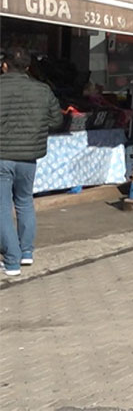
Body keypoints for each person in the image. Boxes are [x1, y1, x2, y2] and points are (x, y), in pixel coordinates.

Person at [0, 47, 63, 277]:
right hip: (28, 158)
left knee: (2, 208)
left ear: (4, 65)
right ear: (28, 68)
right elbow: (57, 120)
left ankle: (12, 261)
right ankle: (26, 253)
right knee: (25, 202)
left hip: (1, 158)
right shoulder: (42, 90)